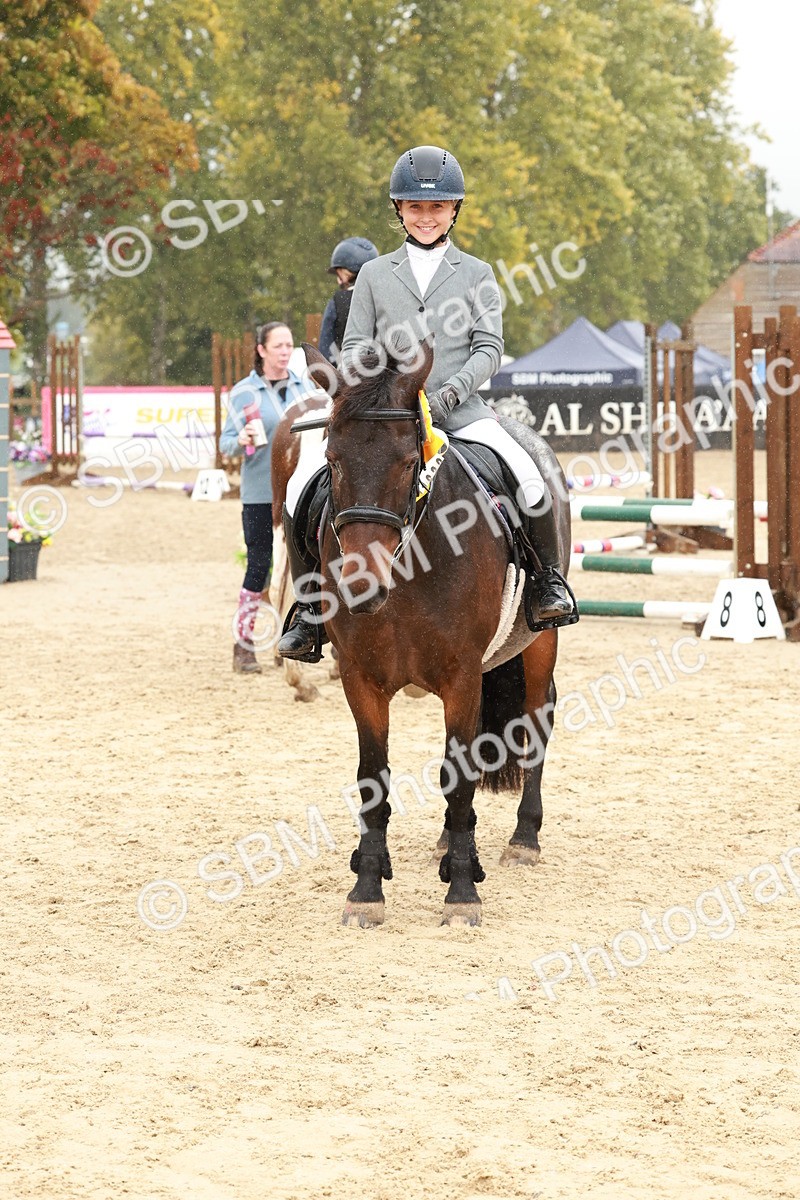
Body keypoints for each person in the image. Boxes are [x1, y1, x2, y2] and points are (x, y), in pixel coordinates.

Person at [278, 144, 574, 662]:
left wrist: (449, 393)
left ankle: (545, 583)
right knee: (304, 486)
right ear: (399, 210)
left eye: (436, 207)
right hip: (384, 418)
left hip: (461, 412)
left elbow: (489, 348)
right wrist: (369, 389)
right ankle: (309, 611)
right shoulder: (373, 276)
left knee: (529, 474)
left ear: (454, 209)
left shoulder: (477, 273)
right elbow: (353, 347)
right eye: (415, 207)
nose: (426, 216)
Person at [220, 321, 311, 673]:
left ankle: (289, 640)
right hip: (259, 493)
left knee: (302, 566)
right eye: (279, 346)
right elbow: (225, 443)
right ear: (261, 350)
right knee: (259, 566)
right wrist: (241, 438)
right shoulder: (244, 393)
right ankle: (243, 646)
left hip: (299, 492)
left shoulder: (306, 389)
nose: (286, 352)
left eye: (289, 345)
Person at [318, 237, 379, 363]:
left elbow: (326, 346)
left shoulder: (338, 301)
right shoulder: (385, 297)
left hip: (348, 374)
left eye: (339, 273)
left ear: (346, 272)